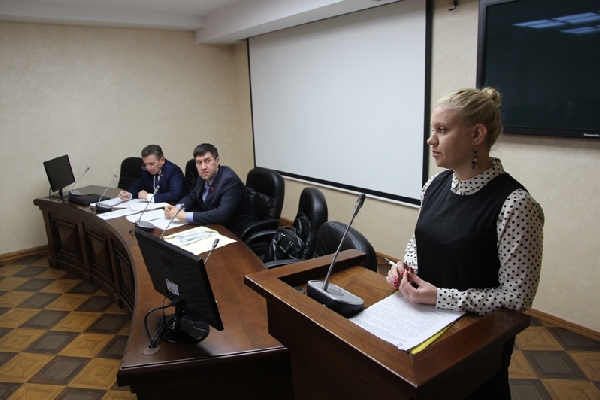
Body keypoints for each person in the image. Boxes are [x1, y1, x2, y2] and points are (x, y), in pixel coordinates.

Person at [386, 88, 544, 399]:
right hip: (421, 327)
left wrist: (442, 298)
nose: (430, 140)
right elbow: (418, 242)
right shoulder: (434, 185)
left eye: (442, 130)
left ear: (476, 135)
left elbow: (518, 298)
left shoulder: (515, 204)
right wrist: (406, 267)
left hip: (474, 347)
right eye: (433, 129)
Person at [164, 143, 256, 238]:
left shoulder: (229, 180)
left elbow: (221, 214)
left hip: (236, 232)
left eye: (207, 161)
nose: (203, 167)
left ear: (217, 161)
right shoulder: (203, 176)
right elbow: (193, 196)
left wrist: (185, 216)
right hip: (213, 226)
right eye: (199, 162)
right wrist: (177, 208)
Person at [119, 145, 186, 204]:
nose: (148, 168)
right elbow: (137, 186)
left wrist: (148, 197)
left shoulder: (173, 171)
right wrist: (129, 194)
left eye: (151, 164)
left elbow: (175, 195)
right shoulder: (146, 170)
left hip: (172, 207)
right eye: (146, 164)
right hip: (152, 207)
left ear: (162, 160)